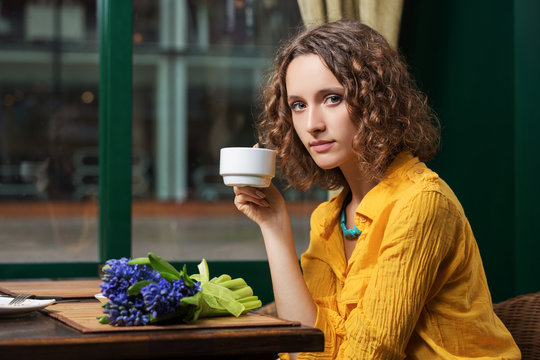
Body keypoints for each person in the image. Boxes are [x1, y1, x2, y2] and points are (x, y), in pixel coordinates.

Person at [233, 21, 520, 359]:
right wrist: (273, 225)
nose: (313, 124)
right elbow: (305, 345)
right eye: (298, 105)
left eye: (332, 98)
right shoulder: (328, 219)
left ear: (374, 100)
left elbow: (367, 356)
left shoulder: (421, 203)